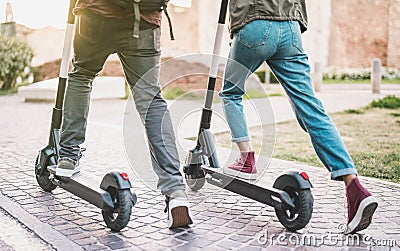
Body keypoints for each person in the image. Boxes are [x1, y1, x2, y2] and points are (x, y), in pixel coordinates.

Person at [218, 0, 377, 234]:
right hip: (290, 28)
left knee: (230, 93)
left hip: (255, 23)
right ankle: (354, 186)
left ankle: (246, 158)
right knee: (310, 107)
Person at [56, 0, 193, 229]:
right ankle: (175, 190)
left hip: (96, 16)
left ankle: (68, 157)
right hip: (145, 21)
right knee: (150, 98)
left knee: (81, 76)